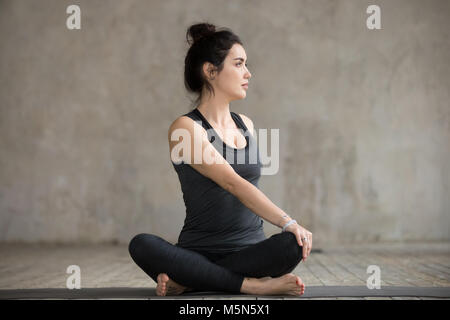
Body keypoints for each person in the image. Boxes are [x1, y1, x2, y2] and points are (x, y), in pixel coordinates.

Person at [128, 22, 313, 296]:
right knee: (141, 244)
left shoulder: (246, 124)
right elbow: (233, 183)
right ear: (210, 71)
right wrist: (288, 221)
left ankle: (195, 281)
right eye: (238, 64)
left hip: (250, 253)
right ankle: (251, 285)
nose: (248, 73)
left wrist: (291, 231)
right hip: (198, 251)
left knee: (293, 244)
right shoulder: (185, 128)